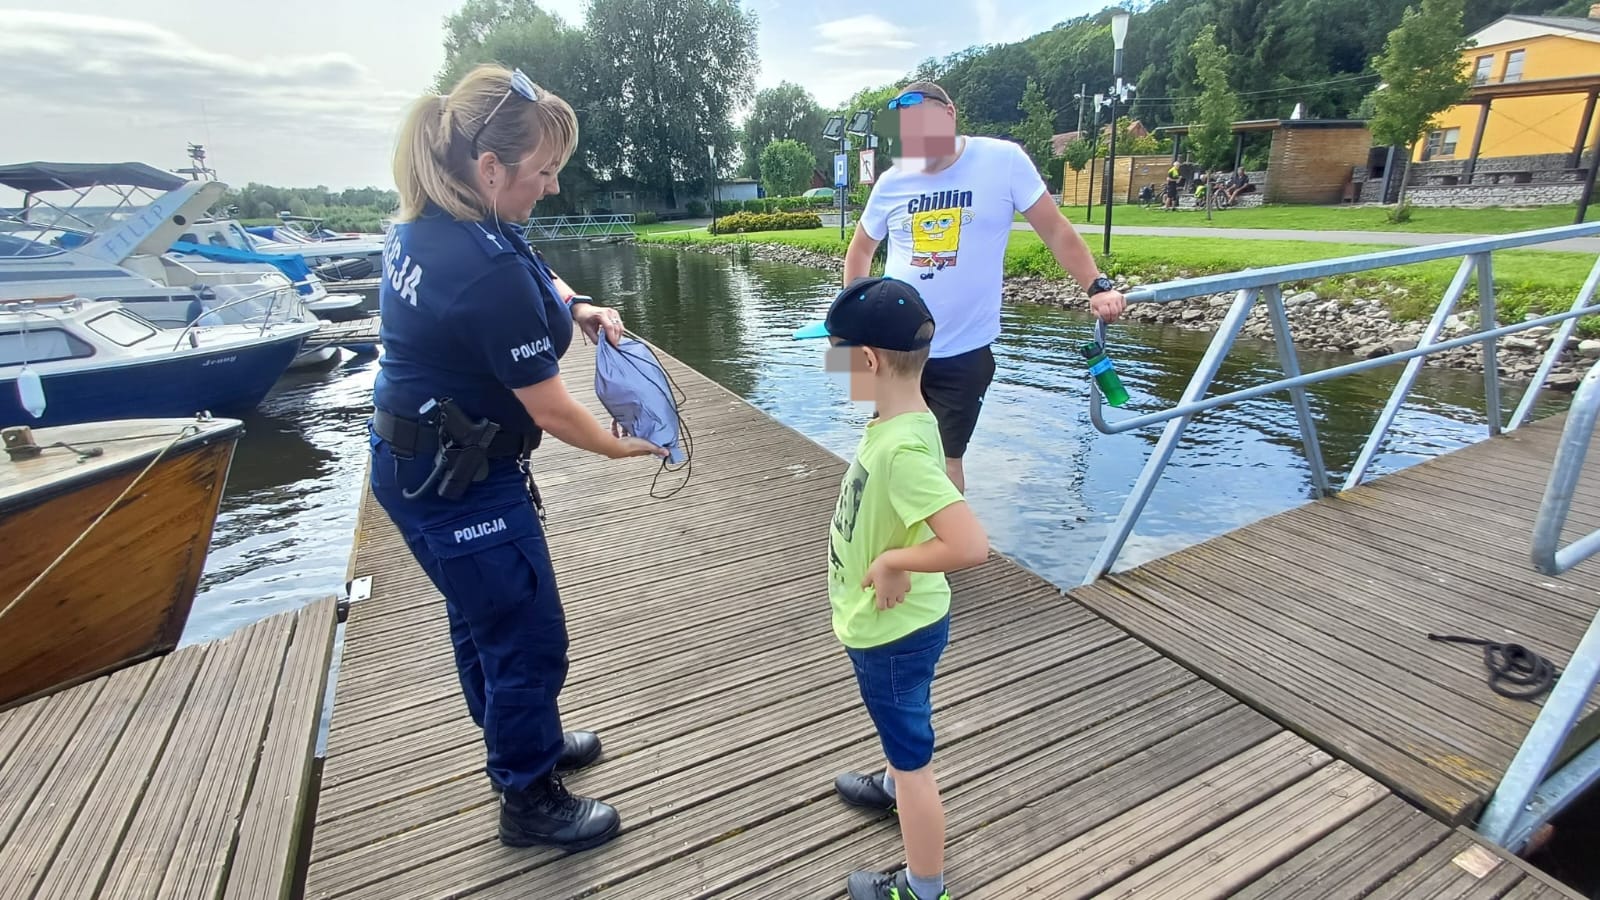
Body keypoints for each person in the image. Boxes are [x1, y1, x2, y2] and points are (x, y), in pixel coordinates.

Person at [368, 64, 666, 852]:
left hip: (418, 468)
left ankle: (520, 740)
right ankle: (529, 799)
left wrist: (578, 306)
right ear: (490, 167)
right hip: (458, 482)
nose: (554, 188)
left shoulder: (444, 219)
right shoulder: (481, 266)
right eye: (544, 173)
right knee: (525, 633)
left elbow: (534, 266)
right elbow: (552, 407)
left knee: (483, 619)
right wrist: (621, 444)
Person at [793, 276, 990, 900]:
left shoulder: (901, 449)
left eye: (838, 356)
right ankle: (889, 782)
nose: (834, 368)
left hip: (894, 634)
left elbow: (969, 545)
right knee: (899, 736)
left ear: (870, 361)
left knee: (916, 766)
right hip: (895, 629)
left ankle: (923, 885)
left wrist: (897, 561)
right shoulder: (905, 420)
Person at [844, 81, 1126, 493]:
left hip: (963, 350)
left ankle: (942, 555)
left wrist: (1096, 285)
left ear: (949, 114)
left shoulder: (1003, 160)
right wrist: (856, 329)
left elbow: (1055, 230)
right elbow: (859, 253)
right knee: (888, 446)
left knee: (945, 459)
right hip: (895, 348)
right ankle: (890, 541)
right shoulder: (892, 181)